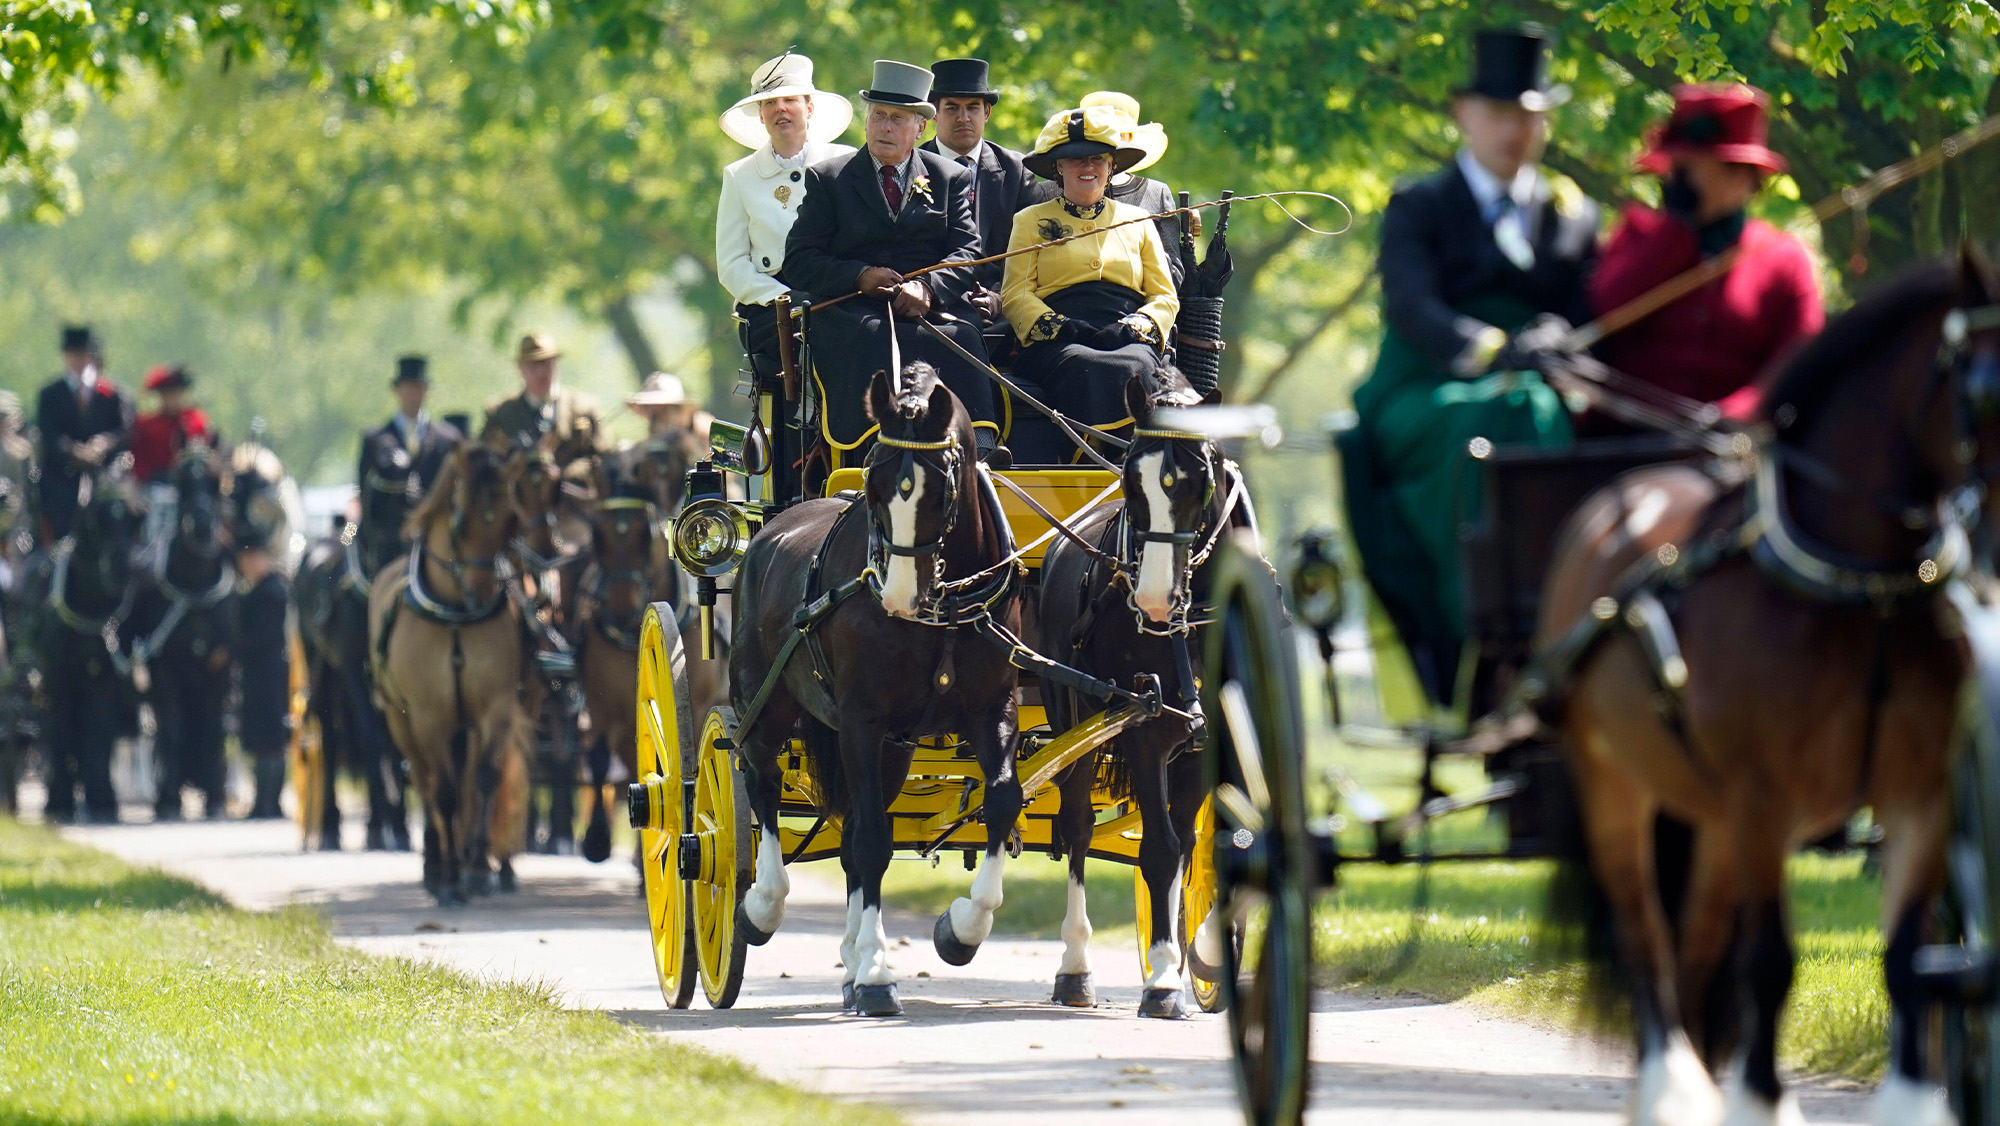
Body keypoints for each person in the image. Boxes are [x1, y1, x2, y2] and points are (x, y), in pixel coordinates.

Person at [1344, 24, 1602, 703]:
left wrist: (1560, 336)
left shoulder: (1572, 217)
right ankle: (1484, 639)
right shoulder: (1419, 207)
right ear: (1464, 115)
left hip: (1540, 394)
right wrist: (1495, 346)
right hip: (1421, 394)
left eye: (1529, 115)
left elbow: (1587, 317)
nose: (1514, 131)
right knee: (1507, 411)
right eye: (1498, 114)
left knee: (1549, 415)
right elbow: (1413, 308)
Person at [783, 59, 998, 460]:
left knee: (963, 339)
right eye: (878, 116)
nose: (885, 127)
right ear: (865, 123)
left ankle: (976, 447)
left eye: (897, 119)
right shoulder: (828, 179)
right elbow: (798, 259)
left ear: (920, 129)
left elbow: (968, 253)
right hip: (852, 310)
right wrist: (859, 276)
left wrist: (929, 290)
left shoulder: (949, 177)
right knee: (868, 338)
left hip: (926, 311)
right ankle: (864, 451)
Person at [1588, 83, 1821, 421]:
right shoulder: (1636, 235)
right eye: (1672, 170)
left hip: (1731, 449)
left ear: (1740, 176)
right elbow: (1606, 311)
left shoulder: (1786, 260)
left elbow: (1797, 364)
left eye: (1686, 170)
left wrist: (1732, 416)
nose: (1671, 183)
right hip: (1624, 435)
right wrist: (1676, 231)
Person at [1001, 106, 1179, 464]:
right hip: (1059, 342)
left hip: (1126, 336)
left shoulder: (1139, 219)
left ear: (1111, 166)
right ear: (1058, 168)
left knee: (1134, 364)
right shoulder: (1030, 220)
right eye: (1074, 160)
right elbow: (1015, 293)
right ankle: (1090, 457)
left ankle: (1139, 462)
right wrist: (1063, 327)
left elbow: (1164, 295)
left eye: (1097, 159)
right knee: (1085, 363)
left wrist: (1132, 328)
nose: (1088, 168)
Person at [717, 52, 856, 373]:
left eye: (790, 100)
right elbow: (732, 265)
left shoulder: (846, 161)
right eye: (769, 103)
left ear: (809, 108)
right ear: (761, 116)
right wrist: (784, 298)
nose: (779, 108)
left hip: (840, 294)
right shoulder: (739, 175)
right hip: (772, 309)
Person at [920, 58, 1038, 322]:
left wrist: (999, 298)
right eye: (952, 108)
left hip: (1003, 307)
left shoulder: (1017, 171)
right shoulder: (912, 167)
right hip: (927, 304)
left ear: (986, 113)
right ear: (934, 113)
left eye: (973, 108)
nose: (964, 118)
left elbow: (1032, 255)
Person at [357, 356, 463, 576]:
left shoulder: (448, 439)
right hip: (387, 544)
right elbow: (365, 495)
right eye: (408, 387)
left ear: (427, 390)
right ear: (397, 390)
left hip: (436, 542)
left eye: (419, 387)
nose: (413, 394)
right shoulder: (376, 440)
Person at [34, 324, 133, 543]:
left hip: (105, 473)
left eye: (84, 355)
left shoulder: (112, 393)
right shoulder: (51, 394)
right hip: (63, 475)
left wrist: (104, 443)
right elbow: (47, 433)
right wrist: (74, 451)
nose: (79, 361)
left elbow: (124, 430)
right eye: (74, 355)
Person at [1077, 91, 1184, 285]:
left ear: (1129, 137)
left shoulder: (1155, 193)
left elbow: (1174, 273)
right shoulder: (1052, 191)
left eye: (1116, 133)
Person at [483, 332, 603, 466]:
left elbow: (605, 457)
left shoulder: (584, 409)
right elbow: (484, 464)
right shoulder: (500, 413)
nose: (541, 372)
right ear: (520, 368)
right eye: (533, 365)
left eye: (546, 363)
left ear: (556, 364)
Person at [130, 365, 213, 484]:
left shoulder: (196, 420)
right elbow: (139, 464)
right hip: (157, 484)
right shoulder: (147, 426)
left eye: (178, 393)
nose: (174, 398)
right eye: (169, 394)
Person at [627, 371, 713, 447]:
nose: (660, 414)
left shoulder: (704, 429)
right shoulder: (654, 438)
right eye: (651, 407)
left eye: (665, 408)